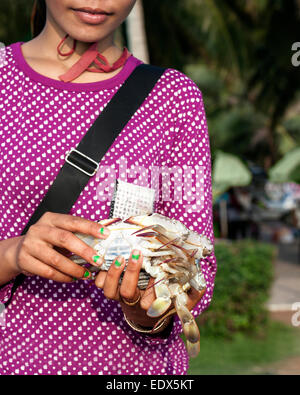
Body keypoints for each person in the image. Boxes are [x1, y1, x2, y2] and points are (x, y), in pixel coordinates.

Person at [0, 0, 217, 375]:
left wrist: (146, 308)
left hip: (134, 369)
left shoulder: (173, 99)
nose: (98, 2)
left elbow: (199, 263)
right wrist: (12, 254)